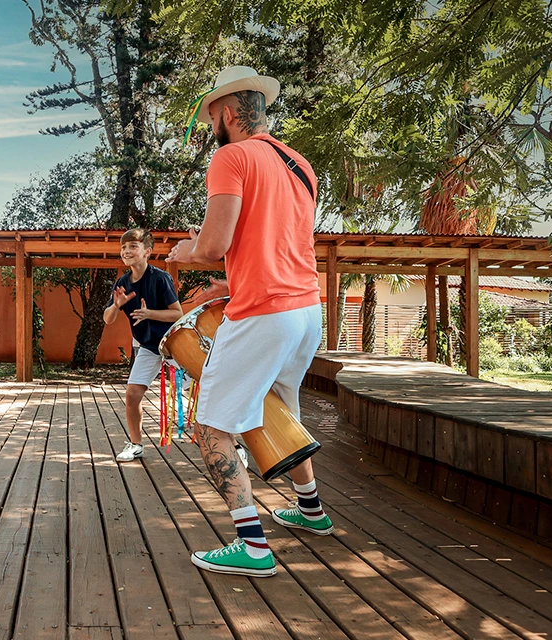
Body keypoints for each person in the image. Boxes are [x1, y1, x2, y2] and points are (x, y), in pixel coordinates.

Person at [168, 66, 334, 577]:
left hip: (265, 314)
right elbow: (279, 246)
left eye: (209, 117)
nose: (209, 126)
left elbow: (214, 245)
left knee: (211, 426)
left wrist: (185, 252)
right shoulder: (298, 163)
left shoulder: (231, 156)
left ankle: (253, 546)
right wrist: (231, 283)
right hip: (306, 310)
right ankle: (312, 512)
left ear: (224, 111)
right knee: (282, 411)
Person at [102, 229, 185, 461]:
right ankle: (136, 444)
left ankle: (230, 443)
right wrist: (116, 305)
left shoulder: (160, 278)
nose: (126, 251)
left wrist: (149, 313)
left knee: (202, 394)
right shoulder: (122, 282)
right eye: (123, 247)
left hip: (174, 344)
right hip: (149, 347)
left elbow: (177, 314)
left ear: (147, 252)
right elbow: (107, 319)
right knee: (132, 394)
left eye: (132, 246)